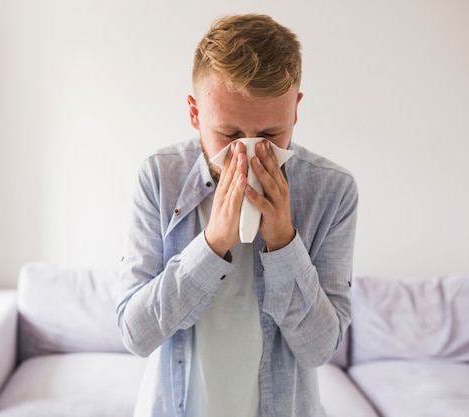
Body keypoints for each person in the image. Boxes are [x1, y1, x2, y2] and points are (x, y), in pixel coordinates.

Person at [116, 13, 358, 417]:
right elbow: (135, 334)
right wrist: (211, 247)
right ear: (195, 113)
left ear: (295, 111)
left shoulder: (332, 191)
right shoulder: (160, 176)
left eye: (269, 136)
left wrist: (284, 244)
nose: (246, 152)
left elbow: (318, 350)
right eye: (229, 135)